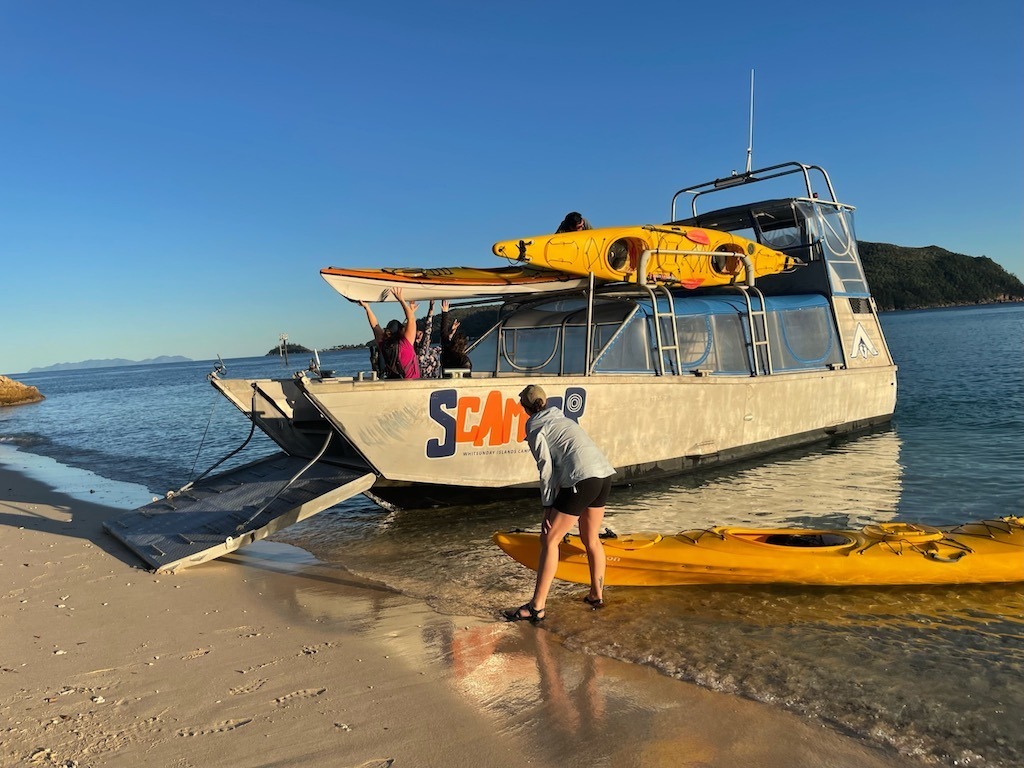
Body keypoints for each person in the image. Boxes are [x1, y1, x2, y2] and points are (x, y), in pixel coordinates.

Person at [504, 384, 615, 623]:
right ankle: (596, 595)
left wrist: (547, 507)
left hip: (582, 479)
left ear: (525, 407)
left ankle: (536, 607)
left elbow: (546, 469)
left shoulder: (535, 426)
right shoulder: (563, 418)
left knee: (550, 539)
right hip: (604, 475)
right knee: (591, 538)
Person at [357, 287, 420, 379]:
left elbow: (374, 325)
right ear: (401, 330)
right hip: (412, 382)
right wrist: (401, 300)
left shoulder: (384, 344)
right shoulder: (405, 343)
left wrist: (367, 307)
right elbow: (411, 319)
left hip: (394, 383)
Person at [411, 300, 442, 379]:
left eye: (420, 334)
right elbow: (427, 329)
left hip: (430, 382)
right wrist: (430, 311)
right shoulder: (420, 350)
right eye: (417, 335)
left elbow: (446, 344)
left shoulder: (433, 351)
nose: (419, 337)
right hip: (426, 383)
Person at [440, 299, 472, 373]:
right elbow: (443, 335)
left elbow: (443, 334)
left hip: (446, 382)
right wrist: (445, 313)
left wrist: (445, 313)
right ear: (464, 346)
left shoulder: (447, 354)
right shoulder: (464, 360)